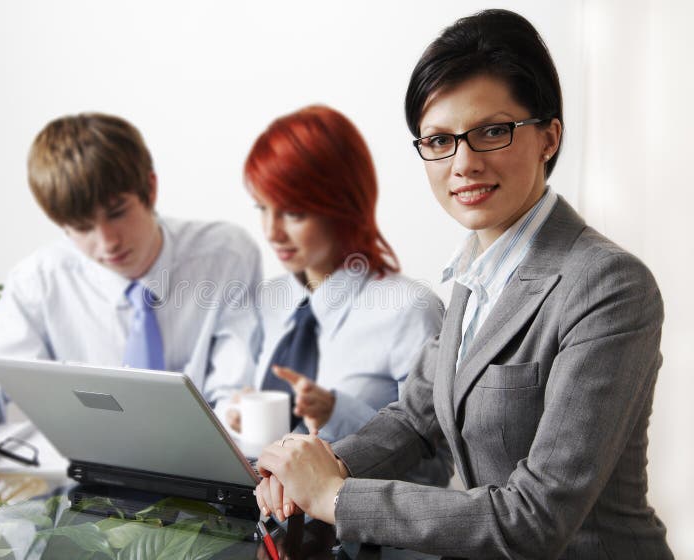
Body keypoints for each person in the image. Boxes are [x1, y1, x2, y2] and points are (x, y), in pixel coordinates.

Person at [254, 10, 673, 559]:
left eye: (492, 131)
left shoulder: (608, 285)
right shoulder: (476, 271)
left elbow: (536, 517)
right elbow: (416, 418)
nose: (464, 163)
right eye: (439, 140)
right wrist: (312, 465)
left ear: (549, 137)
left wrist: (337, 495)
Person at [0, 113, 261, 481]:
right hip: (88, 493)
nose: (107, 243)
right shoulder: (42, 279)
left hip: (204, 479)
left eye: (117, 213)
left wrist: (239, 411)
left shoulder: (224, 256)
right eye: (81, 228)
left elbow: (233, 388)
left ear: (150, 189)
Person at [228, 105, 452, 487]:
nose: (272, 232)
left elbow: (435, 473)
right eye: (263, 208)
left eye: (293, 213)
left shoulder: (409, 310)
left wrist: (337, 413)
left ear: (343, 205)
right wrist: (237, 423)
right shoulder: (270, 300)